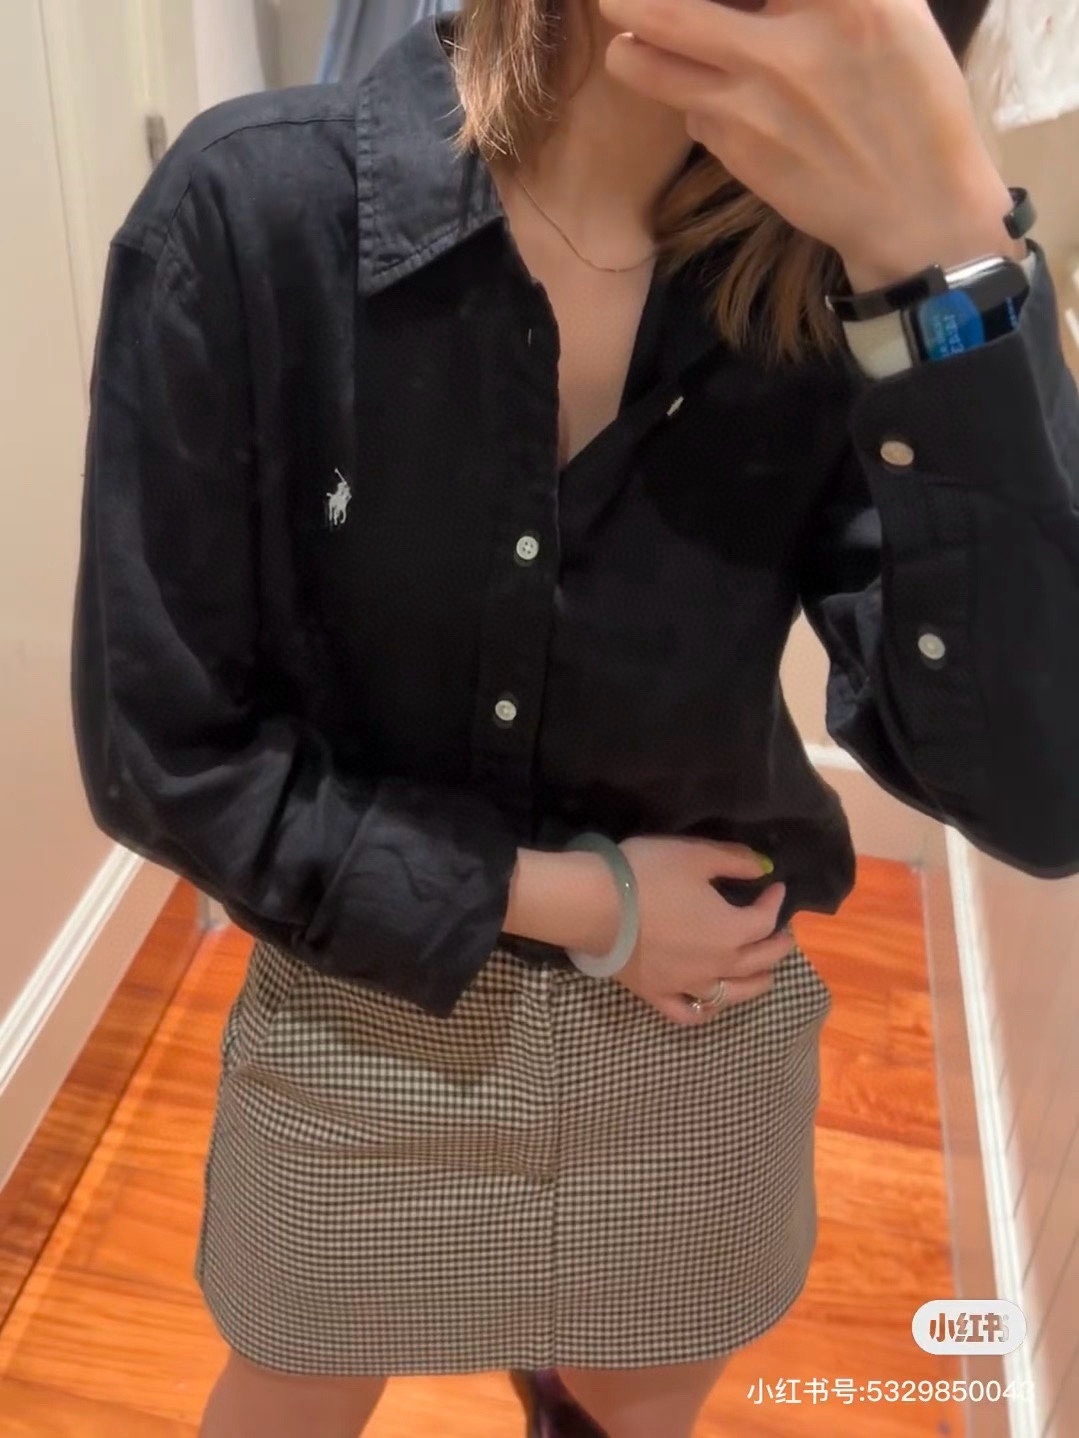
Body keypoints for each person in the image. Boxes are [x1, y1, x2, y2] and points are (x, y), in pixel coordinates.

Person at [72, 2, 1079, 1436]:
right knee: (294, 1384)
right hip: (360, 1004)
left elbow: (1044, 793)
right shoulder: (254, 213)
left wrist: (951, 250)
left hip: (695, 1028)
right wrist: (582, 903)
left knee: (627, 1402)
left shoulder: (856, 288)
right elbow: (164, 753)